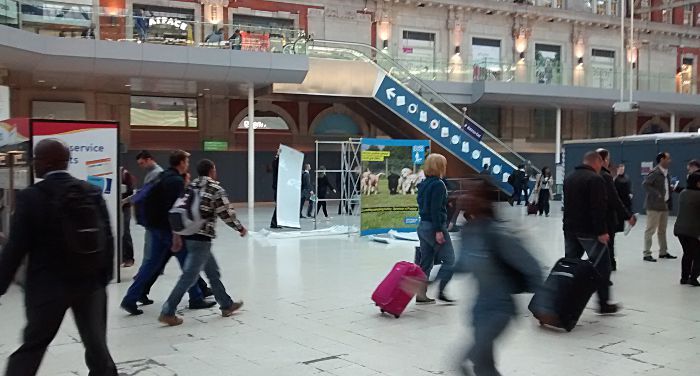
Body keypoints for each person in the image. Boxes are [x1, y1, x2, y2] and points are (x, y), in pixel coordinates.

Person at [0, 139, 117, 376]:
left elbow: (16, 246)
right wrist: (104, 276)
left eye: (35, 159)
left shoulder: (32, 197)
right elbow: (108, 235)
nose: (33, 163)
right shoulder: (90, 190)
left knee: (34, 345)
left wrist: (1, 283)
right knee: (96, 345)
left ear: (45, 162)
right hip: (90, 283)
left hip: (48, 286)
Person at [455, 178, 543, 376]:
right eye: (465, 192)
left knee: (465, 361)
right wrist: (427, 280)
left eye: (472, 194)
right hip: (478, 310)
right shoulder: (468, 231)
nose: (465, 197)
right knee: (483, 367)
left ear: (484, 201)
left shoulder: (498, 233)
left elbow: (533, 268)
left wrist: (543, 303)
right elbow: (460, 265)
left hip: (500, 311)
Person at [121, 150, 214, 315]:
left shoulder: (163, 176)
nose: (187, 164)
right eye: (186, 161)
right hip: (167, 229)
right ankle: (196, 298)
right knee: (187, 262)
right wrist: (176, 235)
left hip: (155, 226)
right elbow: (173, 209)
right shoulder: (175, 181)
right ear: (181, 163)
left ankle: (130, 299)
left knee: (151, 265)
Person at [159, 159, 247, 326]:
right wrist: (240, 228)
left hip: (189, 234)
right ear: (212, 170)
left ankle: (226, 304)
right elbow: (226, 213)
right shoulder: (215, 188)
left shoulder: (191, 185)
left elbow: (179, 209)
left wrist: (177, 234)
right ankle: (168, 311)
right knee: (188, 277)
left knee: (213, 272)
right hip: (202, 239)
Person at [563, 151, 618, 314]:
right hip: (589, 232)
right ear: (597, 162)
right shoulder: (595, 179)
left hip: (570, 230)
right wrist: (602, 231)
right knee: (603, 266)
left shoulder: (570, 177)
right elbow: (598, 208)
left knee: (571, 265)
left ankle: (564, 298)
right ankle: (603, 304)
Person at [415, 153, 455, 304]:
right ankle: (440, 289)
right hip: (434, 227)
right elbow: (435, 209)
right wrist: (439, 230)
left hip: (423, 226)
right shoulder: (439, 184)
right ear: (439, 166)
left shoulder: (423, 183)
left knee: (426, 262)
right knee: (450, 260)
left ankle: (421, 294)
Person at [597, 149, 636, 272]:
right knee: (608, 244)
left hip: (592, 219)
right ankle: (608, 265)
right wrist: (628, 216)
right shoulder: (606, 177)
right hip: (606, 217)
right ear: (604, 160)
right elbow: (614, 199)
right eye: (608, 159)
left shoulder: (591, 174)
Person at [642, 152, 677, 262]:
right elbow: (645, 184)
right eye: (668, 158)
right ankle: (646, 253)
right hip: (654, 206)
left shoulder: (666, 173)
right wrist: (656, 193)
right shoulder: (655, 172)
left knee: (662, 230)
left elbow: (664, 186)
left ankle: (663, 252)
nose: (669, 160)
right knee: (650, 230)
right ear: (662, 160)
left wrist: (670, 188)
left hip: (664, 205)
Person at [674, 173, 700, 286]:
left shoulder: (683, 193)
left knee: (688, 253)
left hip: (679, 229)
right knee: (698, 255)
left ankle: (684, 277)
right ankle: (693, 277)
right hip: (692, 231)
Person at [121, 166, 136, 267]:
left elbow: (131, 191)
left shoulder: (125, 174)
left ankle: (129, 258)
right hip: (115, 206)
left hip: (125, 207)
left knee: (125, 231)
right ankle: (121, 257)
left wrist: (123, 200)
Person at [270, 148, 281, 229]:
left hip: (278, 186)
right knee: (278, 205)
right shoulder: (276, 161)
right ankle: (274, 223)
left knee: (279, 206)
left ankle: (276, 222)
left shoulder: (276, 162)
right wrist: (278, 154)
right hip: (277, 186)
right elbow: (276, 164)